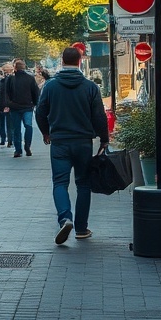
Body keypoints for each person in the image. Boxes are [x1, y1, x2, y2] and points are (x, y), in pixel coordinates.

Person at [35, 45, 110, 244]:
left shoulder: (50, 86)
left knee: (60, 182)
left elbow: (40, 112)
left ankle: (65, 218)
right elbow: (99, 116)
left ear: (62, 61)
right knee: (83, 184)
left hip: (59, 142)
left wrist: (46, 132)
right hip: (83, 142)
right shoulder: (90, 87)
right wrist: (104, 138)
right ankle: (81, 228)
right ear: (80, 61)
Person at [4, 58, 40, 158]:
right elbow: (35, 92)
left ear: (15, 68)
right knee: (28, 126)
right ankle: (27, 146)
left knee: (16, 129)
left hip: (15, 107)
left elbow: (7, 93)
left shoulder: (11, 78)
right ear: (23, 67)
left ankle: (18, 150)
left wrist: (9, 103)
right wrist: (35, 103)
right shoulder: (30, 78)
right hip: (27, 106)